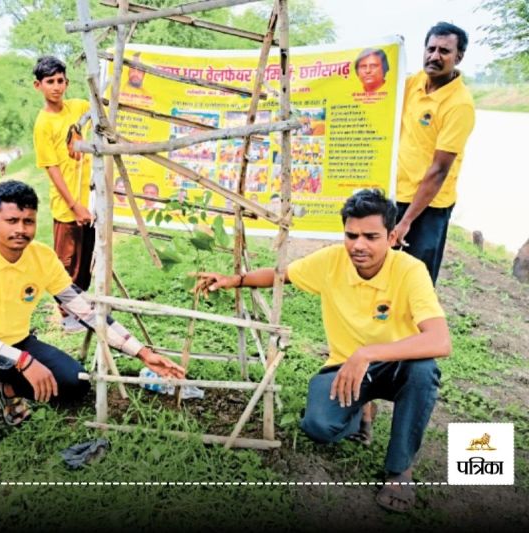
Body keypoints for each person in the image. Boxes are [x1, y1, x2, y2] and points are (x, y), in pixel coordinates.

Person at [195, 189, 451, 513]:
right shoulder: (332, 261)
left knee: (423, 371)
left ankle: (400, 471)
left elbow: (440, 341)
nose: (359, 245)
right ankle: (362, 411)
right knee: (317, 426)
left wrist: (367, 353)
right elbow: (282, 275)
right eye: (351, 235)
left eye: (371, 237)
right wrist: (236, 280)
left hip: (394, 366)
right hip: (343, 366)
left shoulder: (410, 270)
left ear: (391, 237)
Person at [0, 180, 185, 480]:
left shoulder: (41, 257)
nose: (21, 229)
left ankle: (7, 388)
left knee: (74, 384)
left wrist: (142, 353)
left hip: (18, 342)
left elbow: (85, 310)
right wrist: (22, 361)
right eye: (12, 220)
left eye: (28, 221)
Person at [394, 22, 475, 285]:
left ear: (458, 56)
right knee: (386, 271)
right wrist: (391, 48)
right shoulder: (414, 83)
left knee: (418, 279)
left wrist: (406, 221)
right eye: (431, 49)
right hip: (396, 193)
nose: (435, 56)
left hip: (429, 205)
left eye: (444, 51)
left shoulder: (459, 104)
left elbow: (439, 170)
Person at [32, 55, 94, 334]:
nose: (56, 87)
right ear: (38, 85)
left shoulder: (79, 107)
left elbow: (101, 105)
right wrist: (73, 205)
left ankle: (82, 306)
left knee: (85, 259)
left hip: (89, 199)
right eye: (50, 82)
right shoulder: (43, 124)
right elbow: (52, 168)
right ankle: (66, 312)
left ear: (67, 82)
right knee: (66, 262)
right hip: (67, 205)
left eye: (60, 81)